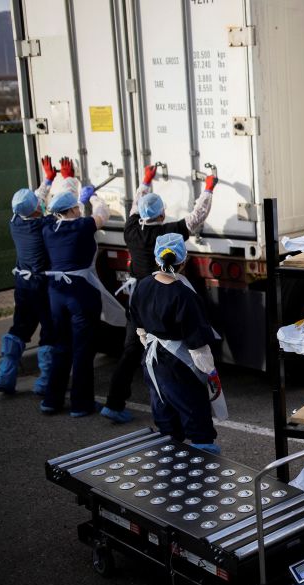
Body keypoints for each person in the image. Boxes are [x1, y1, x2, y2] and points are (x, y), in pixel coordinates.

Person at [100, 167, 217, 424]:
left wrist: (145, 181)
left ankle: (114, 402)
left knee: (132, 349)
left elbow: (134, 207)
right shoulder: (167, 234)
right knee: (176, 346)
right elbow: (196, 217)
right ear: (162, 214)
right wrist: (208, 188)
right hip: (163, 292)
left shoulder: (130, 229)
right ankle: (188, 398)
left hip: (139, 297)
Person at [41, 173, 125, 417]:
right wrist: (94, 198)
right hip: (80, 293)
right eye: (77, 207)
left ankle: (51, 400)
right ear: (72, 210)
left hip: (55, 293)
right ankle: (80, 404)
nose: (80, 209)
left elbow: (52, 211)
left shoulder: (48, 227)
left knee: (61, 346)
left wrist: (77, 196)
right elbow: (103, 216)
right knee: (82, 350)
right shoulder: (81, 226)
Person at [130, 233, 222, 454]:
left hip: (152, 361)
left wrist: (148, 343)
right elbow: (197, 343)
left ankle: (170, 464)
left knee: (164, 414)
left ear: (157, 258)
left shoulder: (143, 285)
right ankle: (203, 466)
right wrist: (210, 373)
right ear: (184, 260)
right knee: (195, 416)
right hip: (180, 367)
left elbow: (138, 324)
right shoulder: (184, 294)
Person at [0, 156, 64, 394]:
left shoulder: (16, 222)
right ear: (35, 209)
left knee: (20, 327)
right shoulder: (44, 226)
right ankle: (44, 382)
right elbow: (62, 213)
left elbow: (32, 202)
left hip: (22, 285)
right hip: (42, 286)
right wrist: (69, 182)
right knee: (49, 330)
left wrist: (48, 180)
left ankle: (5, 375)